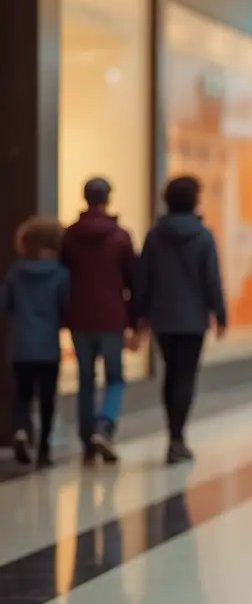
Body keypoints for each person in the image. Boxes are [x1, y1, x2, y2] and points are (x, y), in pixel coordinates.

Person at [133, 175, 227, 464]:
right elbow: (211, 279)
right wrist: (220, 314)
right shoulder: (203, 236)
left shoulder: (155, 235)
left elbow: (142, 278)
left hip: (163, 318)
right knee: (186, 375)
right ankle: (177, 438)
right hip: (193, 319)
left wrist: (139, 315)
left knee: (170, 374)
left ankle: (172, 435)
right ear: (194, 200)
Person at [60, 177, 138, 463]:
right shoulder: (121, 236)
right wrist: (136, 320)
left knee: (85, 380)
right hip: (112, 318)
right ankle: (104, 425)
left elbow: (63, 277)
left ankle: (86, 439)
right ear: (108, 199)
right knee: (115, 379)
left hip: (79, 318)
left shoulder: (68, 236)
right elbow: (134, 279)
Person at [0, 217, 69, 467]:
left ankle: (20, 430)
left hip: (20, 345)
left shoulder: (15, 273)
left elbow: (4, 304)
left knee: (22, 394)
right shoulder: (61, 275)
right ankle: (44, 450)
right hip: (48, 346)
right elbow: (65, 308)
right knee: (47, 399)